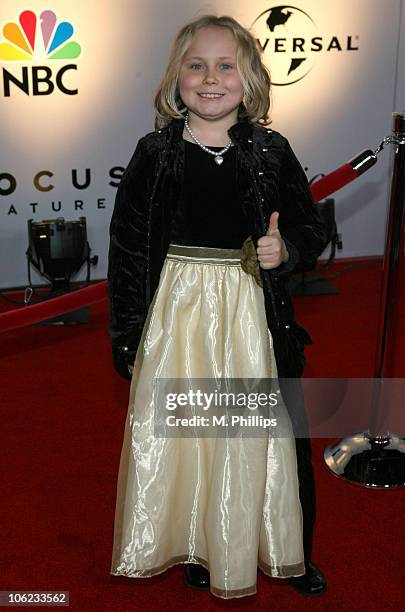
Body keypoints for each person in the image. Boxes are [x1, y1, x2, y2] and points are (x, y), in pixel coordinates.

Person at [108, 14, 328, 600]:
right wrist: (128, 334)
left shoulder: (272, 150)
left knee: (260, 435)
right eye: (196, 65)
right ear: (175, 76)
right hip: (178, 318)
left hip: (251, 318)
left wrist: (288, 249)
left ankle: (289, 547)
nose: (210, 78)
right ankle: (202, 544)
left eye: (225, 65)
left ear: (249, 77)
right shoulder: (155, 153)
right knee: (192, 438)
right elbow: (128, 248)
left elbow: (308, 224)